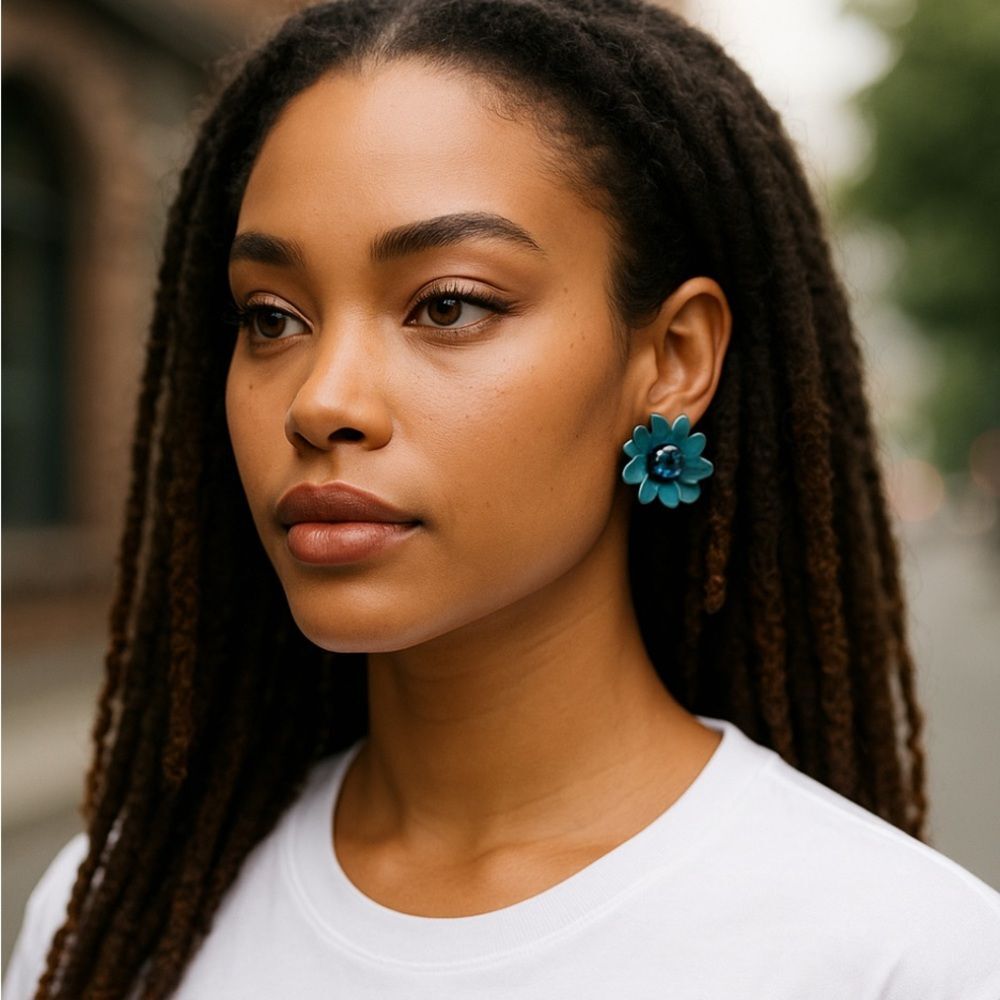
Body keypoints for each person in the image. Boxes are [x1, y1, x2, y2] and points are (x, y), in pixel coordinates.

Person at [5, 0, 1000, 996]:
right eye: (272, 316)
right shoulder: (101, 921)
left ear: (670, 360)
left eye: (447, 304)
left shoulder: (899, 955)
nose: (320, 401)